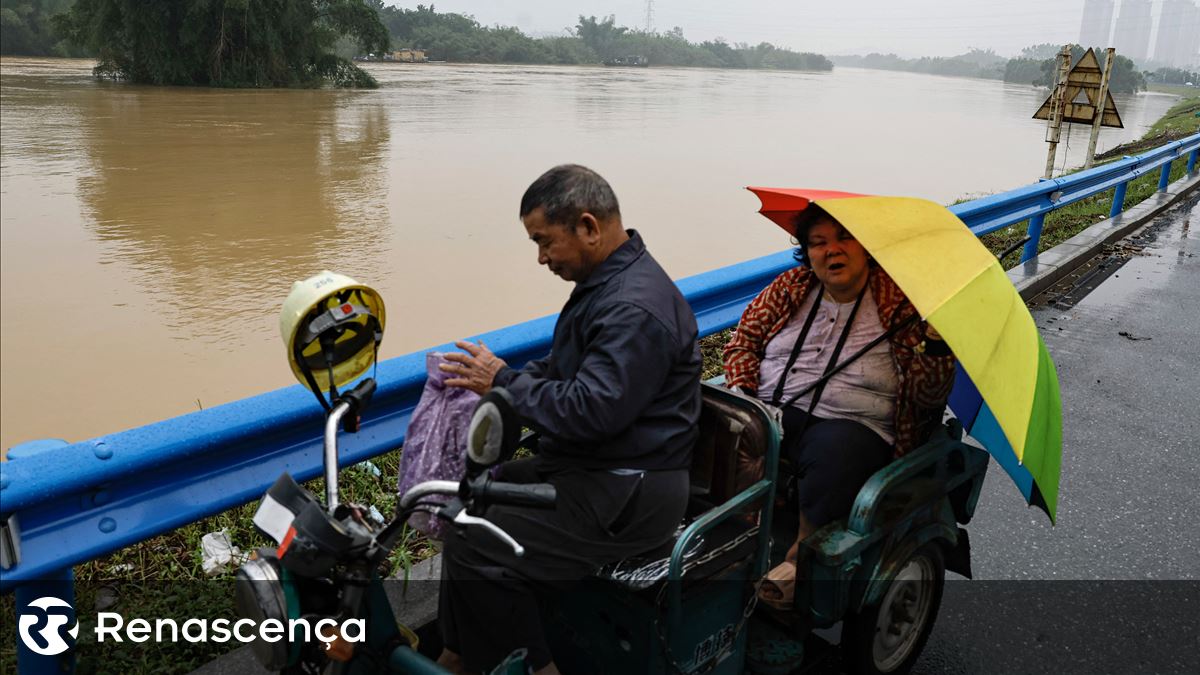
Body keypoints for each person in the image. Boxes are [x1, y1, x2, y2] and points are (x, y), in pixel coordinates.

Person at [434, 164, 702, 674]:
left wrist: (504, 382)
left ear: (587, 226)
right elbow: (566, 370)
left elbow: (591, 411)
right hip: (596, 470)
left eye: (544, 241)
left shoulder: (633, 307)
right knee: (467, 500)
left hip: (629, 492)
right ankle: (458, 653)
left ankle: (536, 668)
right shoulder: (611, 283)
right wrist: (499, 379)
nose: (540, 258)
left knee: (476, 541)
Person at [722, 205, 955, 609]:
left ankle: (797, 559)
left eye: (844, 238)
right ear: (807, 252)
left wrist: (935, 345)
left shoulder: (900, 306)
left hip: (854, 426)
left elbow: (928, 397)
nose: (832, 251)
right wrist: (743, 397)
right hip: (775, 410)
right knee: (717, 426)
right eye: (818, 242)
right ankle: (731, 537)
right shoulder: (789, 287)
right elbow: (743, 342)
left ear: (866, 247)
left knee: (835, 449)